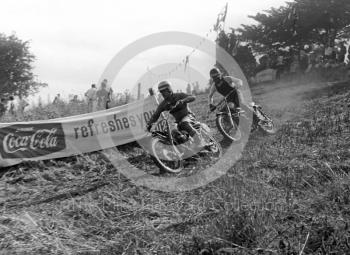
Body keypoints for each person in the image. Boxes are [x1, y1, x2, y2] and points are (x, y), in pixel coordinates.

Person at [146, 80, 206, 150]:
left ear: (169, 89)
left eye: (164, 91)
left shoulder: (179, 95)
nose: (162, 94)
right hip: (178, 122)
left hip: (188, 116)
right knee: (174, 133)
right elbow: (156, 115)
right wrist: (149, 124)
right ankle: (188, 150)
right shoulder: (163, 104)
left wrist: (183, 100)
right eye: (161, 92)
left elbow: (193, 97)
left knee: (184, 123)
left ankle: (200, 141)